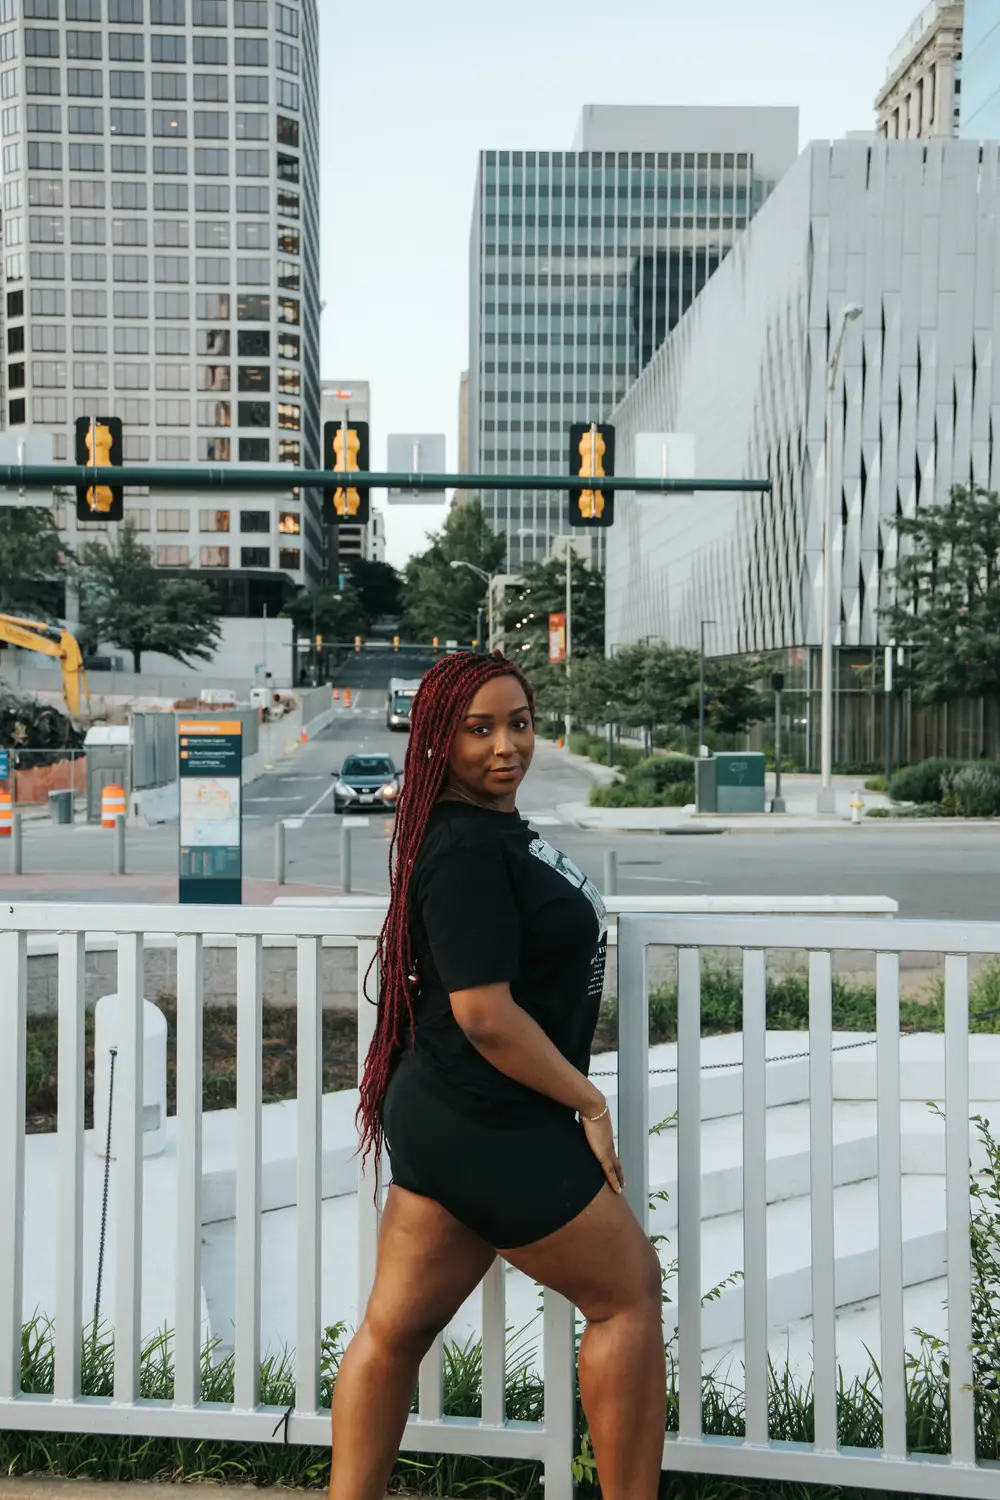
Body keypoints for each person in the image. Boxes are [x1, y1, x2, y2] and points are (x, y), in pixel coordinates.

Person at [329, 650, 665, 1500]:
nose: (504, 745)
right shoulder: (466, 847)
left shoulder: (474, 831)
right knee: (627, 1296)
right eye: (478, 729)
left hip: (449, 1113)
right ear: (440, 738)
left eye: (517, 722)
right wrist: (587, 1100)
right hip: (491, 1117)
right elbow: (484, 1013)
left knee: (394, 1328)